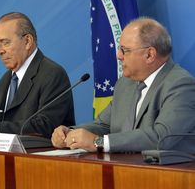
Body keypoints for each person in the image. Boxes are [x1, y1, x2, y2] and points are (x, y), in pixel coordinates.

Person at [52, 17, 195, 153]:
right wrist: (70, 133)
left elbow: (162, 137)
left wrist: (99, 143)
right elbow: (104, 125)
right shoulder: (125, 84)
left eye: (125, 50)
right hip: (126, 170)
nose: (118, 55)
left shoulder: (181, 85)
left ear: (150, 55)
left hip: (167, 175)